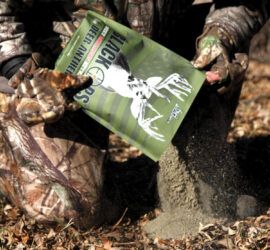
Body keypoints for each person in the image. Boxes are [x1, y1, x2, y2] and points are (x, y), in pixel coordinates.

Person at [0, 0, 268, 228]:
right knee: (70, 208)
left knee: (195, 192)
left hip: (155, 53)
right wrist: (16, 66)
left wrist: (220, 35)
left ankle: (187, 176)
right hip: (52, 75)